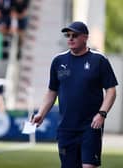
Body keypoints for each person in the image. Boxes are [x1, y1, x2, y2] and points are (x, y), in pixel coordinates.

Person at [32, 21, 118, 168]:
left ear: (85, 37)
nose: (70, 38)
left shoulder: (99, 60)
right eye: (68, 35)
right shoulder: (58, 61)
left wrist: (102, 114)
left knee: (88, 166)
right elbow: (52, 91)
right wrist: (41, 113)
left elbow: (111, 90)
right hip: (66, 127)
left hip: (91, 126)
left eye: (75, 35)